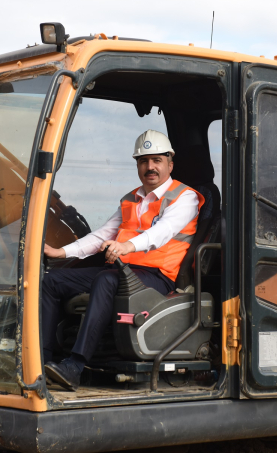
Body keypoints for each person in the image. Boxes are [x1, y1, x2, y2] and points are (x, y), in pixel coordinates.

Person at [41, 129, 204, 391]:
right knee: (51, 281)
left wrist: (126, 246)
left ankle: (74, 366)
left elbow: (161, 233)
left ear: (170, 164)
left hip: (157, 277)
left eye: (157, 160)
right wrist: (60, 253)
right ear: (137, 165)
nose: (150, 167)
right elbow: (102, 235)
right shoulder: (131, 199)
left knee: (106, 279)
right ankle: (43, 362)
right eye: (143, 161)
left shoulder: (185, 197)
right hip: (122, 271)